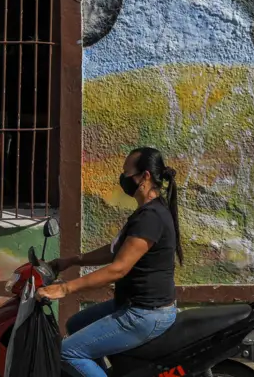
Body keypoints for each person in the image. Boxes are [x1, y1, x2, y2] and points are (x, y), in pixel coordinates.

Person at [37, 147, 182, 377]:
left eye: (127, 173)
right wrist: (72, 261)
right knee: (76, 324)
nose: (123, 178)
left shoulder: (151, 217)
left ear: (145, 176)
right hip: (132, 304)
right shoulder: (147, 212)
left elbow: (118, 269)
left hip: (145, 313)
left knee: (66, 352)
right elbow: (115, 251)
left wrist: (64, 288)